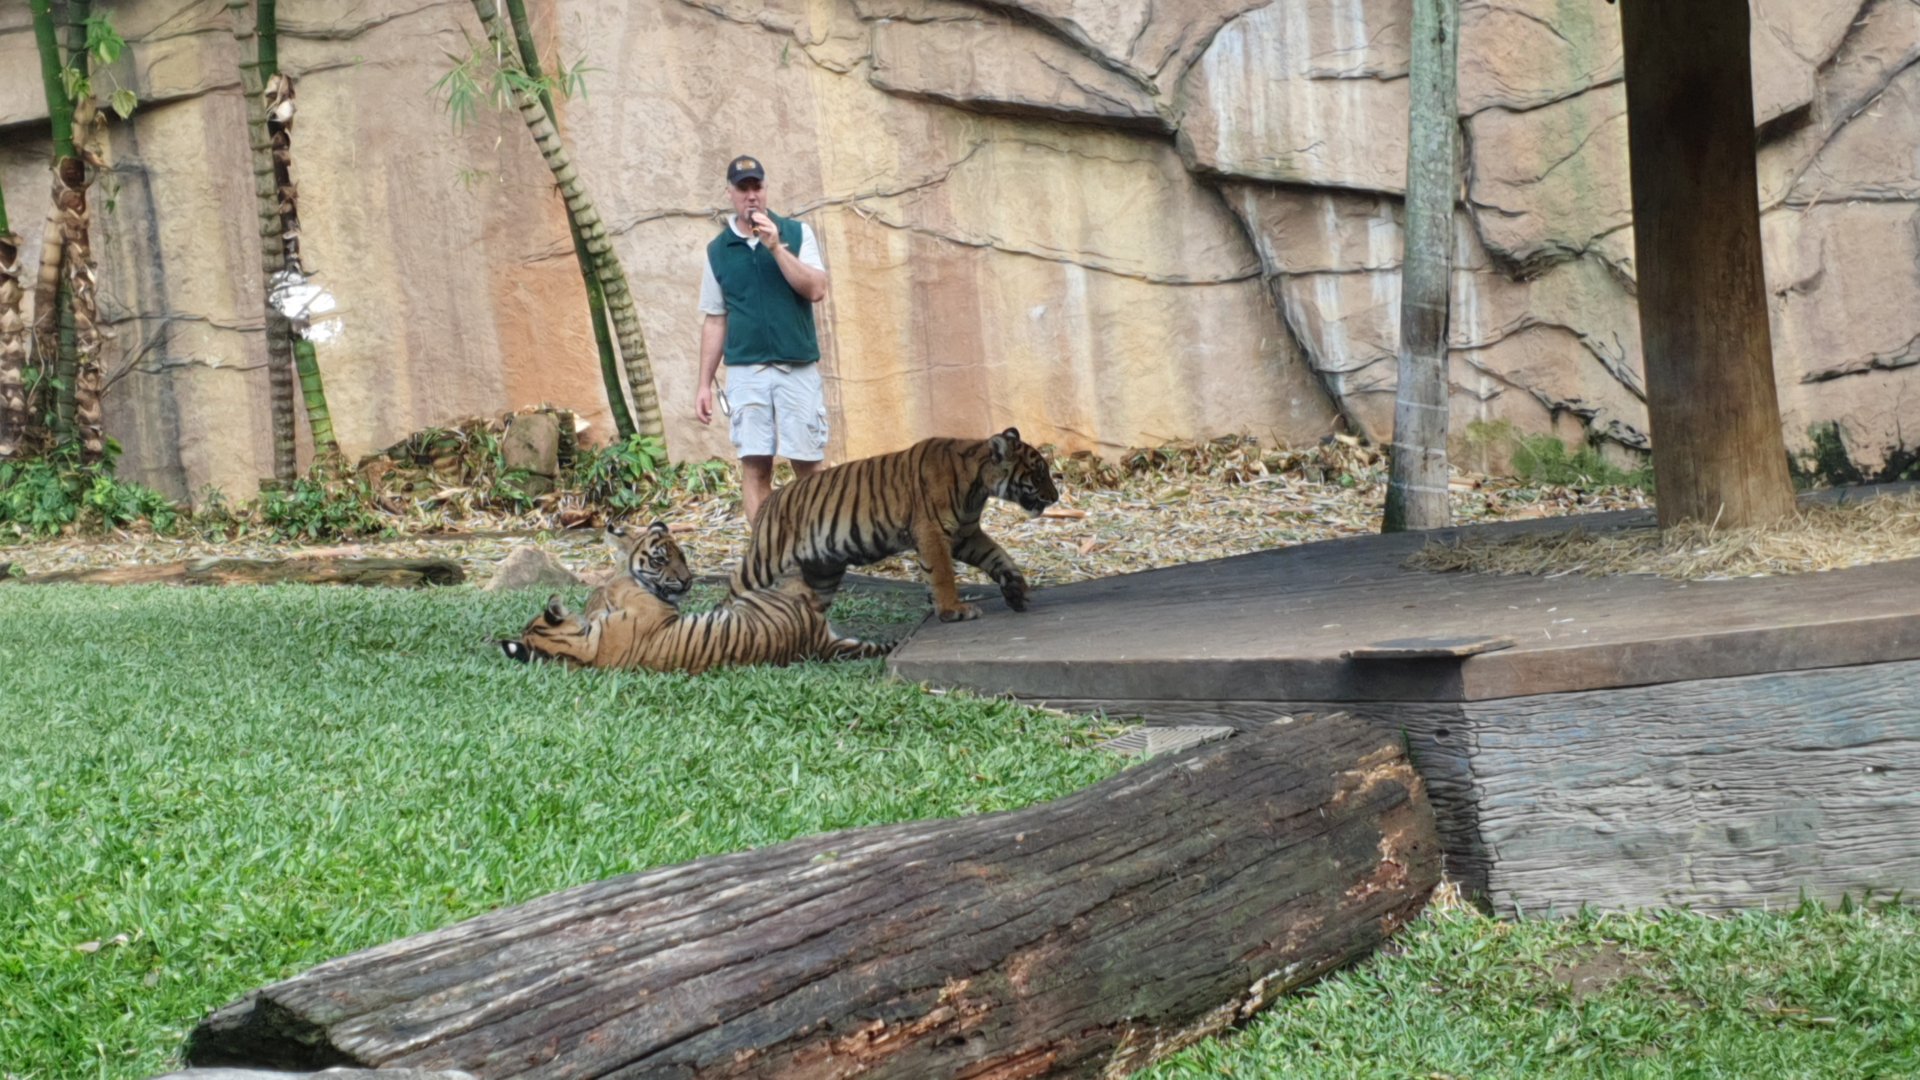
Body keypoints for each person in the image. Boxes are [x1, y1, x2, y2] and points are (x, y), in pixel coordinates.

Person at [694, 154, 831, 523]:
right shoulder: (718, 251)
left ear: (766, 190)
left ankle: (822, 553)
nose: (751, 196)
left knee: (809, 465)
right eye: (743, 188)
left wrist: (775, 247)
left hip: (796, 368)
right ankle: (765, 558)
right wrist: (704, 384)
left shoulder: (797, 233)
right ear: (730, 193)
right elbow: (715, 319)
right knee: (755, 466)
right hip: (746, 373)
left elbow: (816, 289)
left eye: (757, 187)